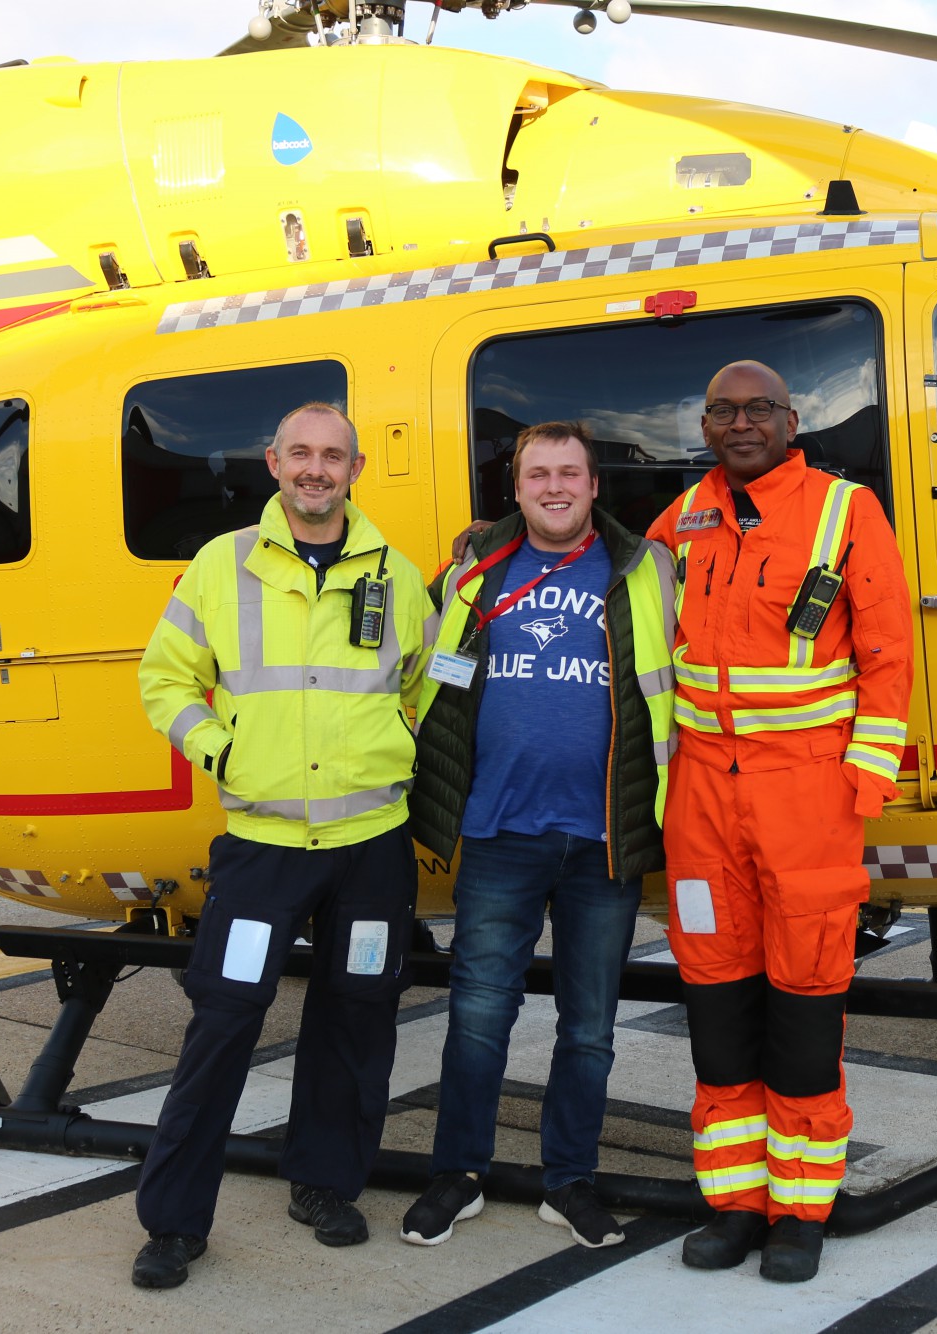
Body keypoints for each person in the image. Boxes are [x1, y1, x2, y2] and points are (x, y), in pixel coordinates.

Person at [130, 402, 435, 1289]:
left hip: (371, 845)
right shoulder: (221, 566)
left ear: (355, 467)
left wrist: (401, 757)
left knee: (356, 1019)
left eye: (331, 456)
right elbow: (165, 677)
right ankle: (174, 1223)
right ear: (272, 462)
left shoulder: (399, 575)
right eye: (299, 453)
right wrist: (218, 748)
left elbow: (423, 688)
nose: (315, 469)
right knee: (222, 1024)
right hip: (263, 848)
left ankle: (324, 1185)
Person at [644, 361, 913, 1283]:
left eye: (760, 409)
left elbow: (885, 652)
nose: (742, 423)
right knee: (716, 1002)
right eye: (724, 410)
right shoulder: (678, 522)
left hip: (806, 798)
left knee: (804, 1006)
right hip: (702, 805)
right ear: (706, 425)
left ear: (792, 421)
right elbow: (612, 587)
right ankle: (734, 1205)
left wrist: (862, 784)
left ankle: (800, 1212)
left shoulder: (846, 511)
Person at [400, 422, 677, 1249]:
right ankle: (459, 1172)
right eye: (537, 475)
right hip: (498, 830)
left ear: (595, 487)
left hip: (604, 840)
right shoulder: (473, 569)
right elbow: (428, 676)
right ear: (515, 489)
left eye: (569, 473)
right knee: (478, 1015)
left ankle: (570, 1180)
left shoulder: (647, 570)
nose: (554, 487)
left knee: (589, 1027)